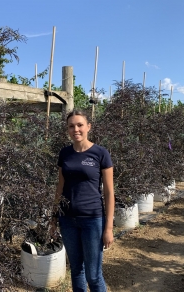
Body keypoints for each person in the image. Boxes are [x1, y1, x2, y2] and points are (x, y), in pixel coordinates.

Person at [50, 109, 114, 292]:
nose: (75, 129)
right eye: (71, 126)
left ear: (88, 127)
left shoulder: (100, 153)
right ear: (67, 129)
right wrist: (53, 218)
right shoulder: (65, 154)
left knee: (93, 275)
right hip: (68, 219)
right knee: (76, 270)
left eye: (79, 125)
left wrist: (108, 228)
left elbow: (109, 193)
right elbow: (59, 188)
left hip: (92, 220)